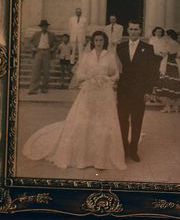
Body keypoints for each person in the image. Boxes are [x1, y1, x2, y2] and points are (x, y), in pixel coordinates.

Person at [23, 31, 126, 170]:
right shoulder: (87, 56)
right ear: (93, 42)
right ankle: (82, 157)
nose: (99, 43)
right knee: (84, 121)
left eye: (101, 40)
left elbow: (116, 74)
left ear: (105, 42)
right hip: (88, 92)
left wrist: (107, 78)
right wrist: (89, 77)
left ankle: (102, 158)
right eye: (96, 40)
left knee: (103, 123)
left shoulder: (110, 56)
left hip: (104, 93)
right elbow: (79, 74)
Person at [116, 22, 161, 162]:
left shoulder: (147, 48)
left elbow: (152, 71)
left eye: (136, 29)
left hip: (139, 91)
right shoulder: (120, 47)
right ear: (127, 30)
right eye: (131, 29)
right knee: (122, 120)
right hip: (123, 91)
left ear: (140, 31)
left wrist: (148, 91)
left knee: (136, 121)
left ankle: (133, 149)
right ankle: (124, 148)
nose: (133, 32)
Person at [156, 29, 180, 113]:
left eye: (166, 35)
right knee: (174, 85)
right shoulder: (176, 43)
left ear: (169, 36)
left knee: (167, 85)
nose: (165, 37)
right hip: (174, 65)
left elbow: (164, 53)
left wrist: (159, 52)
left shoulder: (170, 43)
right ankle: (175, 106)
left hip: (169, 65)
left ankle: (168, 107)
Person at [28, 19, 57, 95]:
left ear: (47, 27)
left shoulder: (51, 34)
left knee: (46, 71)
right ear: (40, 27)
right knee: (36, 71)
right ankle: (33, 89)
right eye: (42, 26)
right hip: (38, 52)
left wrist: (53, 48)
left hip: (47, 52)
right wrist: (33, 48)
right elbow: (29, 41)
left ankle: (44, 89)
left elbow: (56, 42)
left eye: (45, 26)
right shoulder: (36, 34)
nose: (44, 28)